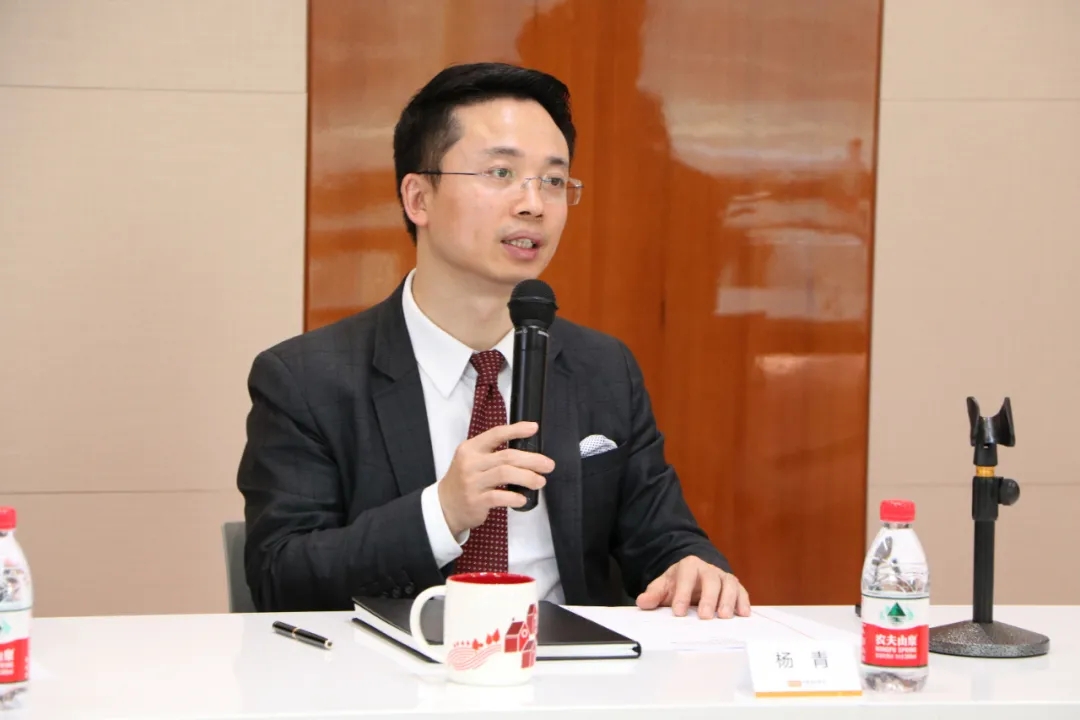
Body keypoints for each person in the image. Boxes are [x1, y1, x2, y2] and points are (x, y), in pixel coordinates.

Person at [237, 62, 750, 620]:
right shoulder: (307, 380)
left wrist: (692, 566)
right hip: (395, 667)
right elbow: (280, 578)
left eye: (553, 180)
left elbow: (664, 538)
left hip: (571, 668)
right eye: (501, 172)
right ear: (418, 198)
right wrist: (441, 513)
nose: (534, 203)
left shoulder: (602, 368)